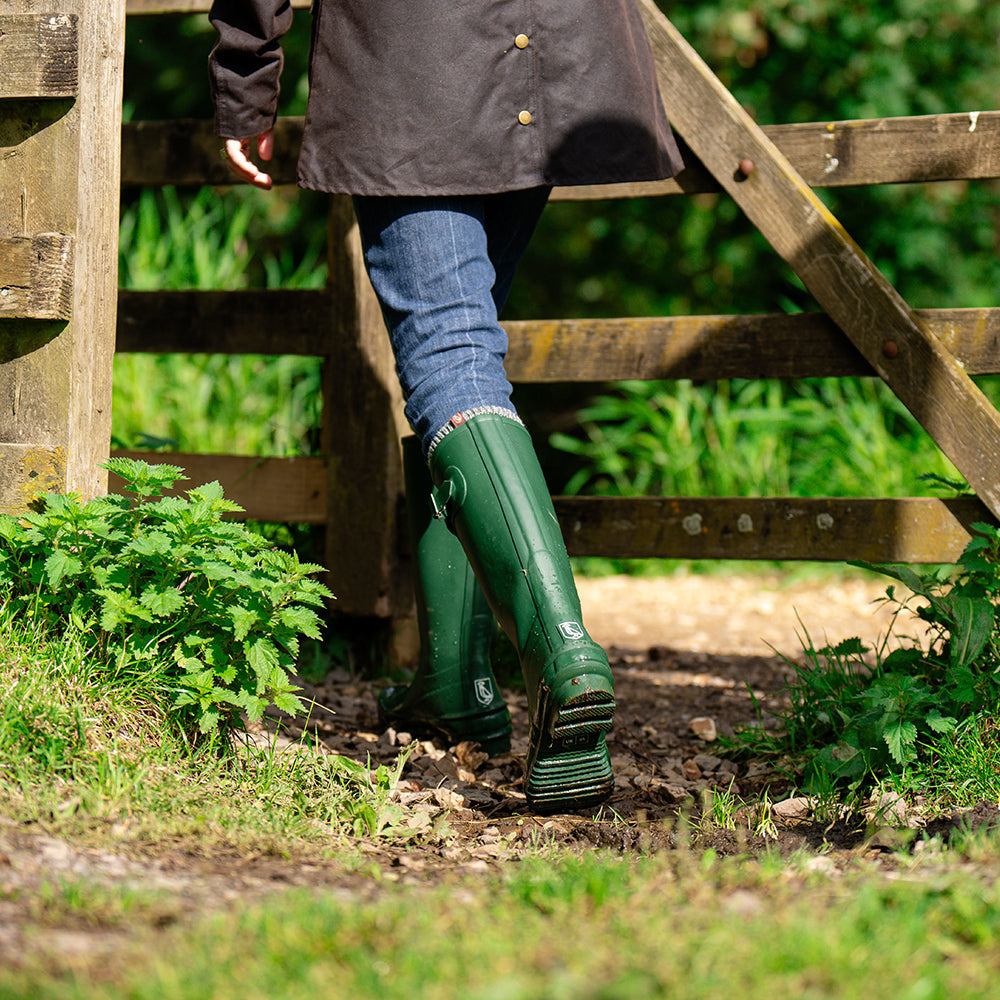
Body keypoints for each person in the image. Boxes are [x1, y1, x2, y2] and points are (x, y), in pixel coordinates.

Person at [208, 0, 684, 813]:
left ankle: (563, 658)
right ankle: (452, 682)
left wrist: (246, 83)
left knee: (451, 357)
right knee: (461, 356)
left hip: (414, 69)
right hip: (562, 54)